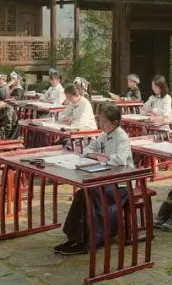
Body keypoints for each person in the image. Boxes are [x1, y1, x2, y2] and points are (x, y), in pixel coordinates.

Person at [54, 106, 135, 256]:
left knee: (94, 197)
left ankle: (90, 241)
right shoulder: (104, 135)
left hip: (121, 183)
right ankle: (74, 236)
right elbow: (87, 150)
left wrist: (102, 157)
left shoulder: (122, 137)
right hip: (106, 178)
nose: (100, 125)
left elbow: (120, 160)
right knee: (82, 194)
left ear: (115, 122)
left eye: (104, 122)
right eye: (100, 121)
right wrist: (97, 155)